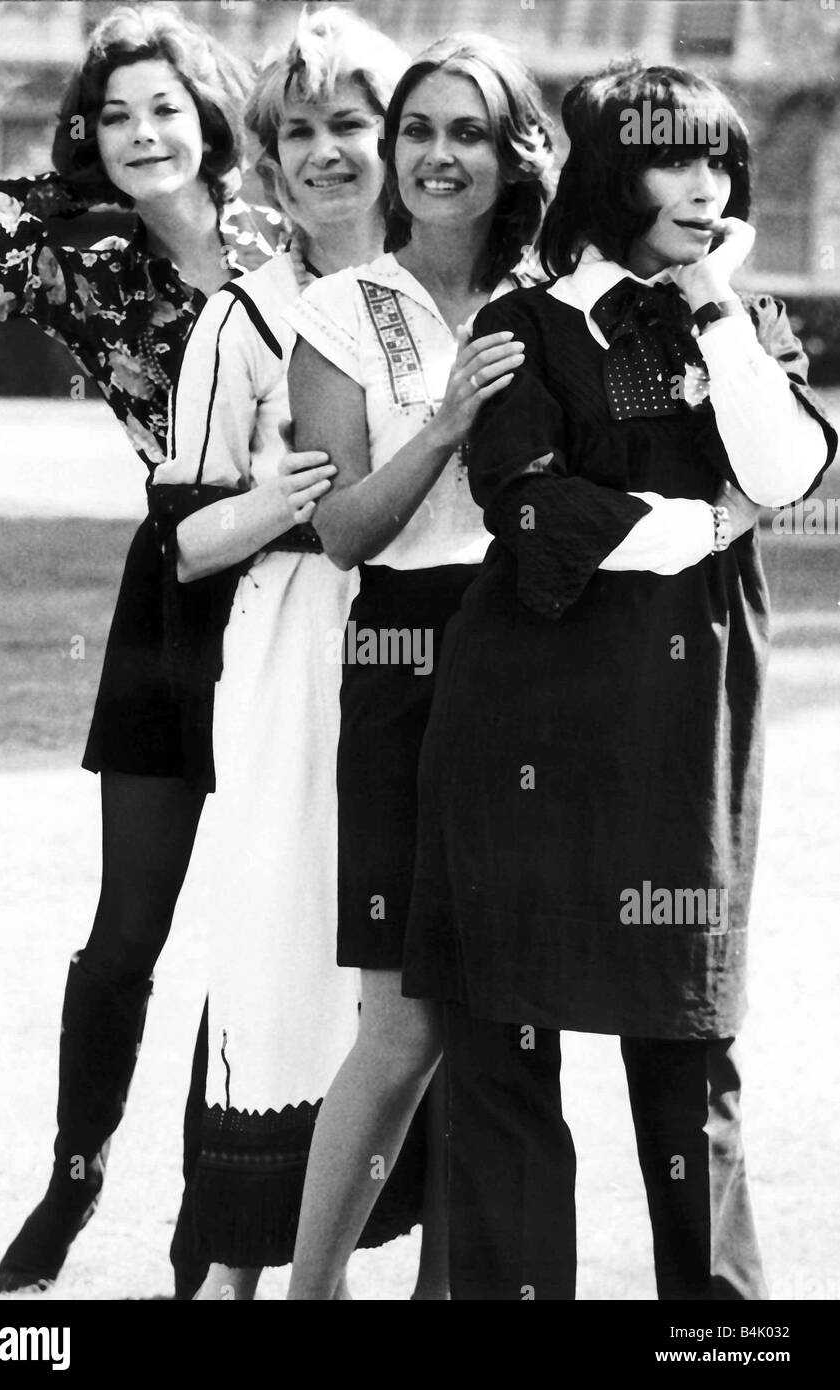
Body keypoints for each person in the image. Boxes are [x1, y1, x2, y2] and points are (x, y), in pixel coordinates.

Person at [400, 60, 837, 1300]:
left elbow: (790, 468)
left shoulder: (736, 322)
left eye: (720, 165)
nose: (705, 188)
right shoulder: (522, 326)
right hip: (522, 726)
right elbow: (534, 512)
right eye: (674, 160)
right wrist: (708, 522)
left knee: (689, 1051)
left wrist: (710, 297)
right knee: (506, 1058)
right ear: (607, 170)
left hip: (685, 725)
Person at [0, 4, 281, 1298]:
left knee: (268, 930)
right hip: (174, 589)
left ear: (213, 115)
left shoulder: (288, 229)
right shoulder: (76, 251)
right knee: (127, 924)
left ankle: (216, 1232)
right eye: (113, 114)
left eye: (164, 108)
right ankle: (65, 1199)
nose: (141, 133)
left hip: (308, 591)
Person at [149, 6, 428, 1303]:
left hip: (435, 654)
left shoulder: (443, 298)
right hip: (293, 655)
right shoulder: (242, 322)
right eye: (298, 129)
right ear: (264, 158)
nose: (326, 151)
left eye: (351, 123)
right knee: (279, 951)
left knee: (419, 966)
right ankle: (228, 1277)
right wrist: (281, 497)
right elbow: (180, 545)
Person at [281, 35, 554, 1300]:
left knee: (508, 1022)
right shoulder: (338, 312)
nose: (440, 157)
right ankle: (312, 1290)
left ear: (512, 157)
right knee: (399, 1028)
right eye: (420, 131)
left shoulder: (556, 297)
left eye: (469, 134)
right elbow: (339, 530)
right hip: (401, 657)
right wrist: (448, 422)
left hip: (543, 659)